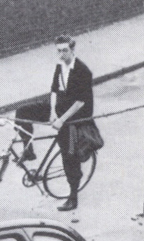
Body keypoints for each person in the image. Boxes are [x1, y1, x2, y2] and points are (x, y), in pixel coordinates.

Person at [15, 35, 94, 211]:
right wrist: (51, 112)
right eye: (58, 51)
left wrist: (61, 120)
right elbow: (53, 91)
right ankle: (29, 151)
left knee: (69, 155)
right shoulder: (60, 67)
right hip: (58, 109)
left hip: (75, 116)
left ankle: (73, 197)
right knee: (22, 112)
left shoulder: (83, 71)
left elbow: (80, 102)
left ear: (73, 50)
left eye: (65, 50)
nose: (61, 54)